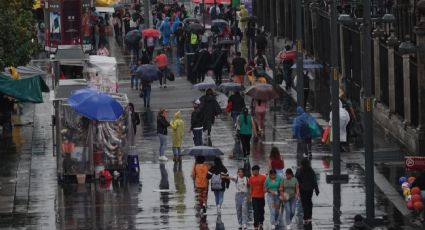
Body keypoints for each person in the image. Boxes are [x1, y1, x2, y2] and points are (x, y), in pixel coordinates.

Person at [296, 158, 319, 227]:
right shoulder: (310, 170)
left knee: (304, 203)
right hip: (309, 189)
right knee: (309, 202)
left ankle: (306, 217)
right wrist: (316, 189)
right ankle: (309, 216)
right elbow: (314, 180)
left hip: (302, 189)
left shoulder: (299, 170)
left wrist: (296, 189)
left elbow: (296, 180)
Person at [249, 165, 266, 230]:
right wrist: (250, 196)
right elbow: (251, 187)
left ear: (258, 171)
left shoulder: (263, 177)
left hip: (261, 197)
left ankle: (261, 222)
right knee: (255, 211)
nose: (254, 172)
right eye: (252, 171)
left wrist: (265, 191)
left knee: (261, 211)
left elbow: (265, 186)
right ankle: (255, 225)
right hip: (254, 197)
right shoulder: (251, 178)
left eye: (255, 171)